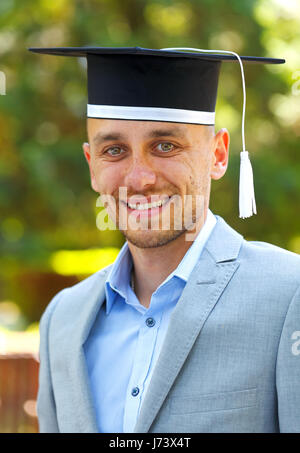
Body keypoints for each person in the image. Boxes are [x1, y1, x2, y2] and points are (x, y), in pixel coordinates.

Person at [29, 46, 300, 433]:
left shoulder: (290, 295)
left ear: (218, 155)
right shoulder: (63, 319)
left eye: (165, 146)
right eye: (115, 150)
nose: (139, 178)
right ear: (92, 165)